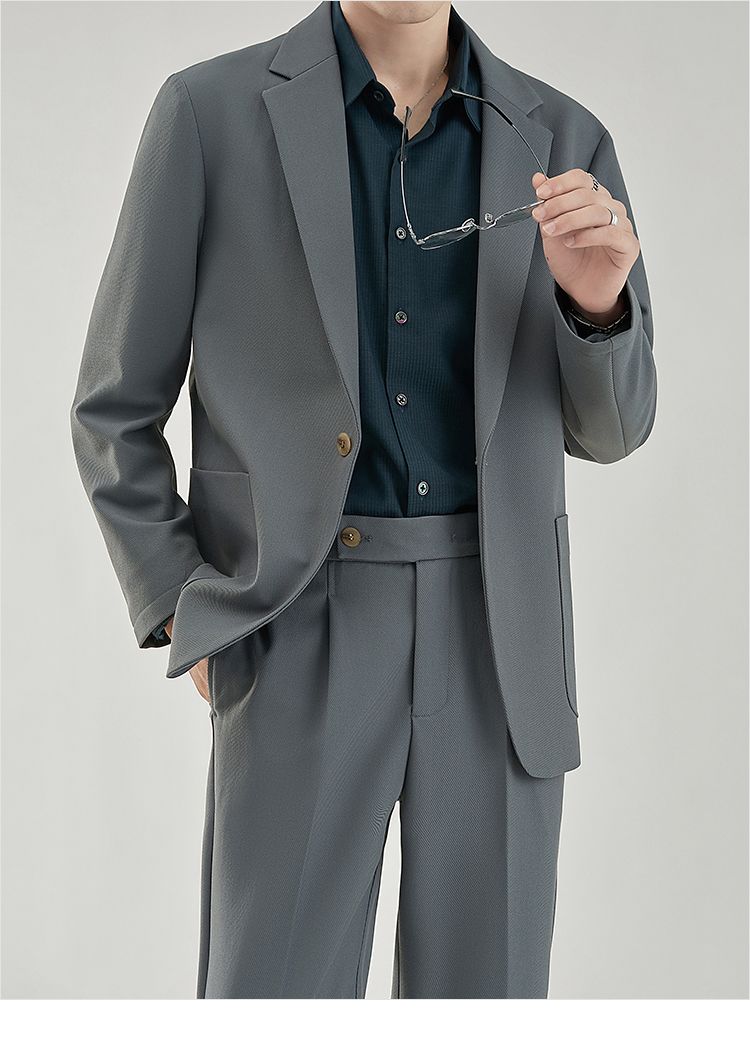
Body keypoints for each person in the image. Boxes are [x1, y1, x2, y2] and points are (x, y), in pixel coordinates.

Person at [70, 0, 657, 999]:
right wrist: (182, 607)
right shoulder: (209, 115)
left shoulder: (563, 137)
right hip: (298, 619)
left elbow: (615, 427)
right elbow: (113, 406)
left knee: (490, 1000)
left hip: (501, 632)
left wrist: (595, 304)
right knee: (272, 997)